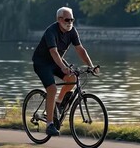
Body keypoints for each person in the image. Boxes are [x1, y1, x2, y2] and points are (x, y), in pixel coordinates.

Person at [32, 7, 97, 136]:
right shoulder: (51, 31)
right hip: (42, 63)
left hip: (56, 62)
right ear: (59, 19)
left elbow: (80, 49)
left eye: (72, 20)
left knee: (72, 78)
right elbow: (54, 52)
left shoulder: (72, 31)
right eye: (67, 20)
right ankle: (50, 124)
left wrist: (91, 66)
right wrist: (63, 67)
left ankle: (59, 104)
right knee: (52, 89)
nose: (70, 22)